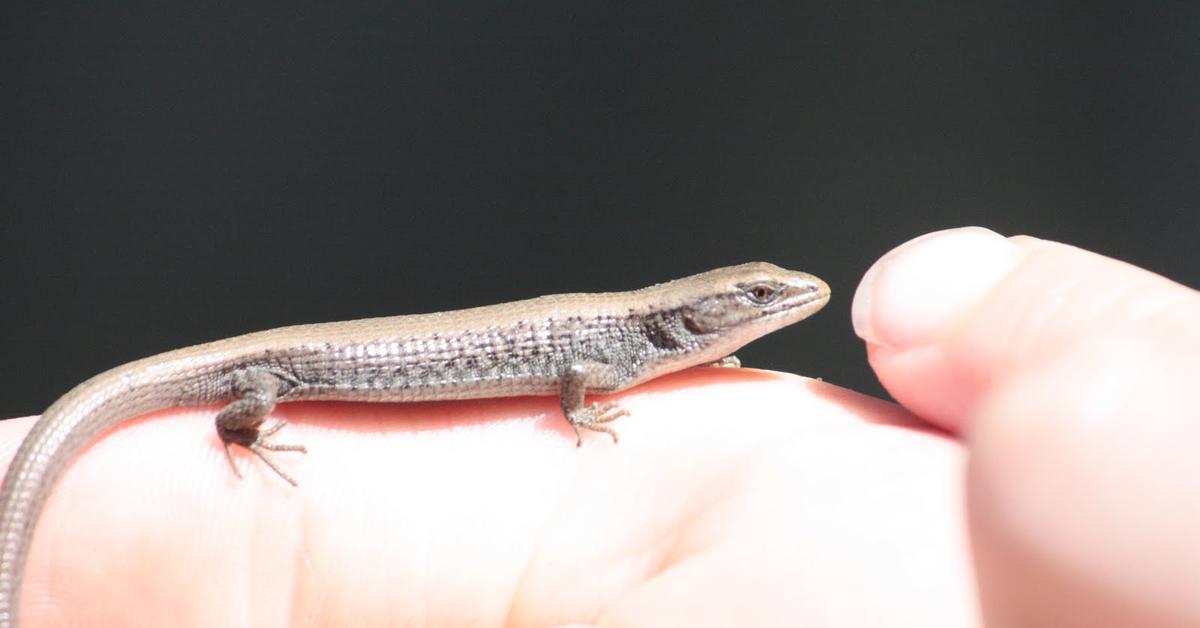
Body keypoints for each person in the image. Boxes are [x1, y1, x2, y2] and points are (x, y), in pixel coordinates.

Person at [2, 227, 1195, 626]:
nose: (783, 304)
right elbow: (576, 375)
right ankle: (237, 434)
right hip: (276, 371)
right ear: (707, 316)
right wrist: (242, 427)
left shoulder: (657, 337)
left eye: (769, 299)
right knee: (251, 407)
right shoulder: (619, 347)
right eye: (760, 298)